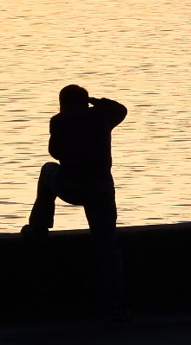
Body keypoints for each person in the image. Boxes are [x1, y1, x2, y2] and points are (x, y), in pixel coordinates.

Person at [22, 85, 128, 313]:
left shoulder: (59, 121)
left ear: (62, 103)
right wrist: (95, 101)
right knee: (108, 248)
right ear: (85, 100)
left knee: (47, 170)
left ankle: (39, 229)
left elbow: (55, 154)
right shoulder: (102, 115)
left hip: (73, 186)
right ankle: (117, 307)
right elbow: (121, 109)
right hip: (101, 189)